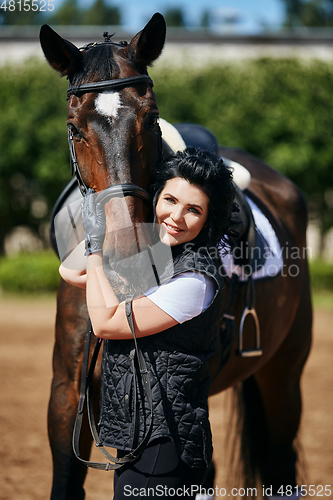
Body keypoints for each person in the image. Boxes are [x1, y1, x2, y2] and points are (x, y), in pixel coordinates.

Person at [59, 148, 238, 499]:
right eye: (169, 200)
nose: (175, 216)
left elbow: (107, 323)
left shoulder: (196, 278)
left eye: (193, 210)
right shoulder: (161, 258)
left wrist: (97, 249)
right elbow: (71, 271)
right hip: (141, 433)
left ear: (207, 220)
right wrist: (111, 218)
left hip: (165, 444)